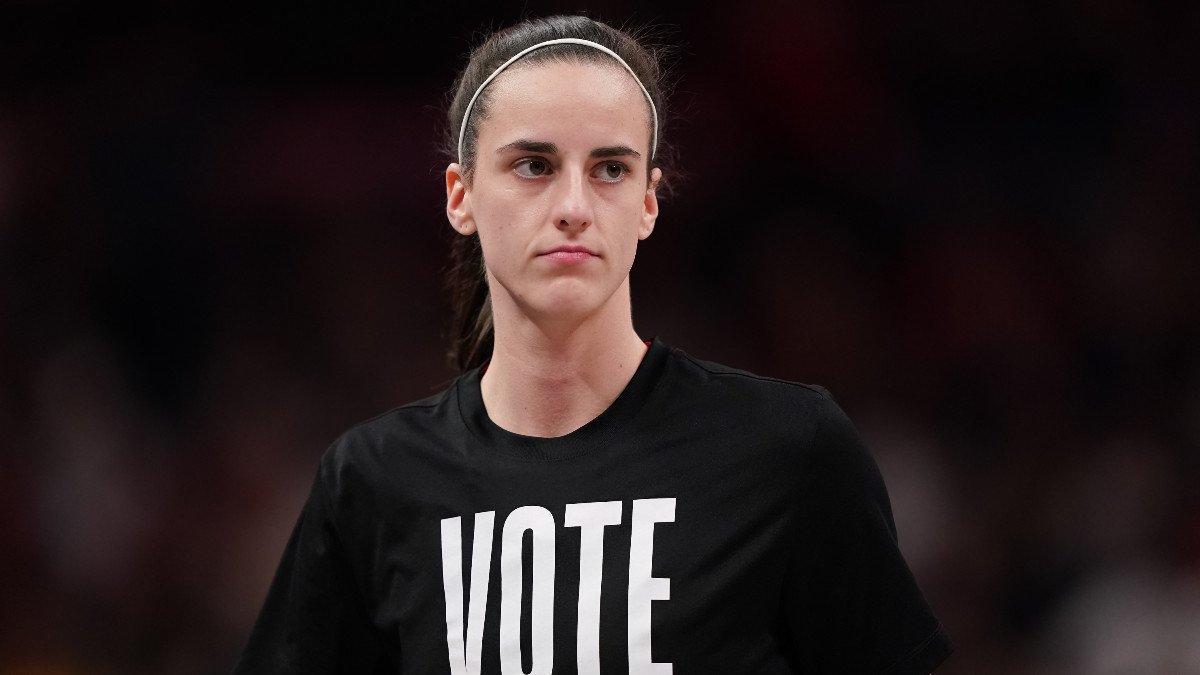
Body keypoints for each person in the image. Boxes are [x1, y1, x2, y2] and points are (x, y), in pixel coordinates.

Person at [233, 15, 952, 675]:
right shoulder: (373, 480)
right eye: (534, 165)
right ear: (461, 196)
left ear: (648, 201)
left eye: (610, 168)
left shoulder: (788, 450)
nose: (574, 207)